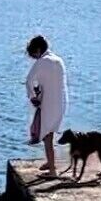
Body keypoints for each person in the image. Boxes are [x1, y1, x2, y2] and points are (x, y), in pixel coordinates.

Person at [24, 34, 68, 179]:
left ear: (37, 50)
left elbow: (29, 80)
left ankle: (53, 171)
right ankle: (50, 163)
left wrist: (33, 97)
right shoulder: (58, 60)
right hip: (61, 102)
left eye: (34, 55)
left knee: (47, 136)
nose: (35, 58)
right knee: (50, 133)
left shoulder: (42, 61)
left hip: (48, 103)